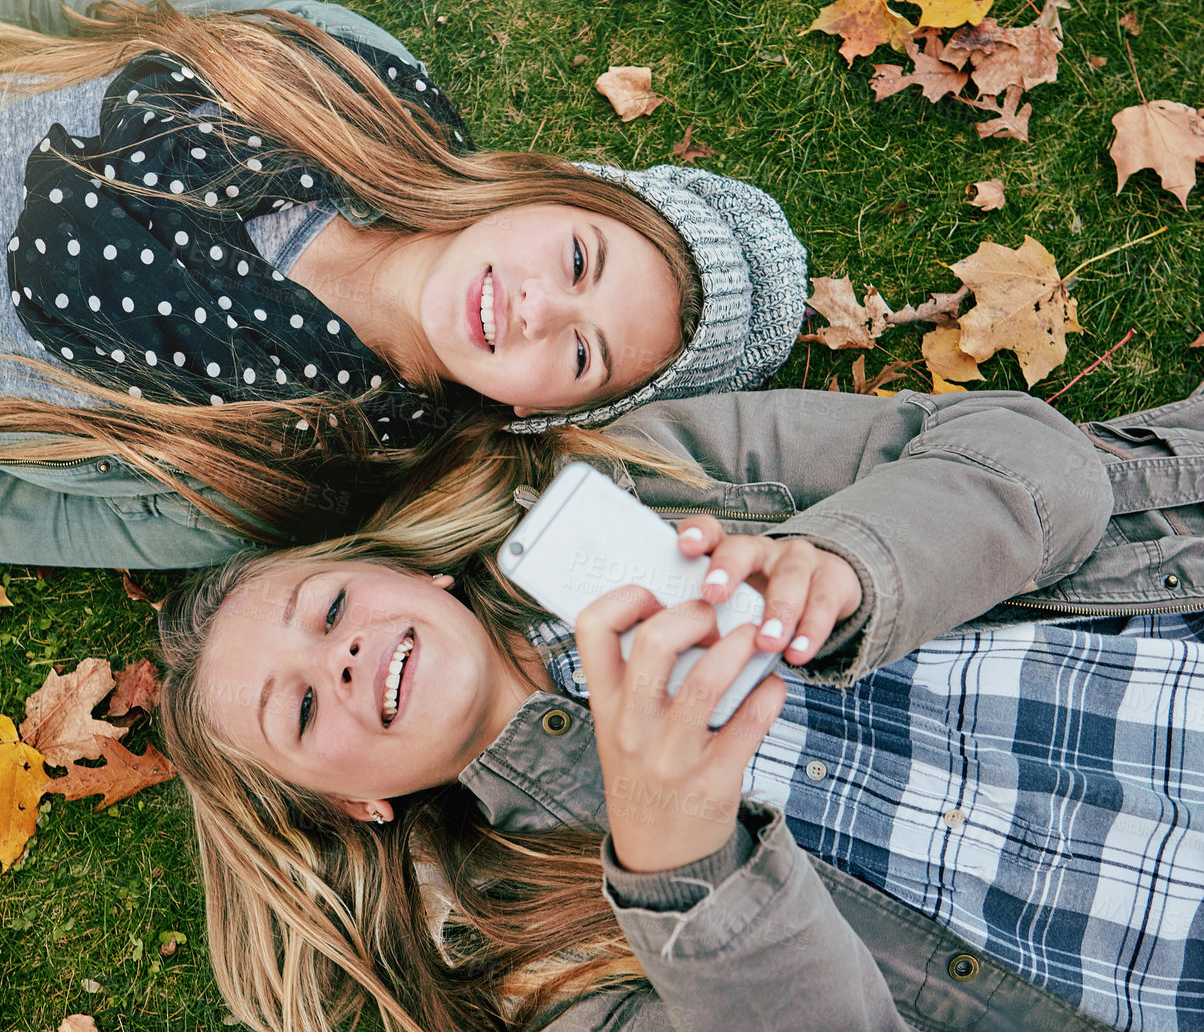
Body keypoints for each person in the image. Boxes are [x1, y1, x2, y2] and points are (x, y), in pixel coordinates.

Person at [157, 381, 1204, 1032]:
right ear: (354, 807)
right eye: (297, 711)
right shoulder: (532, 966)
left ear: (411, 576)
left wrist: (851, 565)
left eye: (330, 607)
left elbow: (1048, 463)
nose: (337, 660)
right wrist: (681, 869)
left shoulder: (638, 474)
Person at [0, 0, 806, 568]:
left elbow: (23, 516)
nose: (538, 308)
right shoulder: (360, 80)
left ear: (543, 415)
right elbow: (92, 1)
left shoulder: (300, 472)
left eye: (583, 352)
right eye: (580, 260)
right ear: (552, 191)